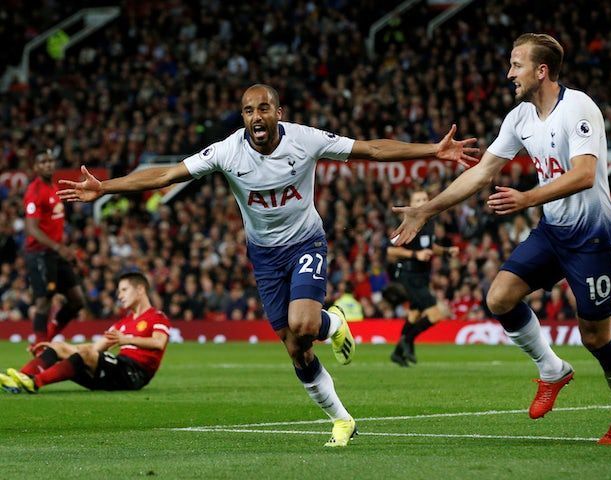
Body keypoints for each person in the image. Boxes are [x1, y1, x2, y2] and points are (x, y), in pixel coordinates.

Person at [56, 83, 478, 447]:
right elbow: (166, 175)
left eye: (263, 108)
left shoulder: (305, 139)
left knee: (305, 324)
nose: (255, 116)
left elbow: (370, 149)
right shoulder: (226, 151)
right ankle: (342, 418)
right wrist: (106, 188)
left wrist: (432, 149)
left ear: (278, 113)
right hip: (264, 256)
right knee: (296, 349)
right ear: (242, 117)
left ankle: (329, 324)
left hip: (306, 242)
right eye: (247, 110)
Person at [391, 34, 611, 445]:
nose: (509, 73)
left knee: (595, 336)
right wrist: (427, 209)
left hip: (593, 237)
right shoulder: (520, 117)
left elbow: (583, 175)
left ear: (541, 71)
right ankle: (552, 369)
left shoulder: (578, 108)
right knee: (500, 297)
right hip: (554, 231)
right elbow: (482, 172)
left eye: (516, 64)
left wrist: (526, 198)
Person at [0, 271, 170, 394]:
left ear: (140, 290)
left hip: (134, 373)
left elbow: (159, 342)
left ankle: (35, 382)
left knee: (85, 353)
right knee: (59, 346)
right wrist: (64, 348)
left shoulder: (156, 317)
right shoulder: (123, 323)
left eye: (124, 290)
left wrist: (126, 339)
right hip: (114, 370)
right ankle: (19, 378)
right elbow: (96, 348)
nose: (119, 295)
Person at [386, 190, 458, 367]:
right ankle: (407, 341)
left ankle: (397, 353)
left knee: (414, 314)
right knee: (436, 314)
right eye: (417, 199)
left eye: (425, 199)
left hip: (422, 275)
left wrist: (447, 251)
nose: (423, 201)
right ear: (410, 204)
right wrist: (415, 254)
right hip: (408, 275)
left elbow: (429, 246)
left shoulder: (429, 222)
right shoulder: (406, 222)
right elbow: (390, 250)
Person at [23, 149, 86, 346]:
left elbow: (52, 226)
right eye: (43, 162)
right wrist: (59, 248)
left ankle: (46, 337)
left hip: (56, 252)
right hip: (39, 254)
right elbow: (32, 229)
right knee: (44, 301)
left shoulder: (53, 188)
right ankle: (40, 347)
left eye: (51, 161)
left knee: (77, 301)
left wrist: (63, 249)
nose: (48, 165)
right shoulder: (34, 191)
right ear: (36, 167)